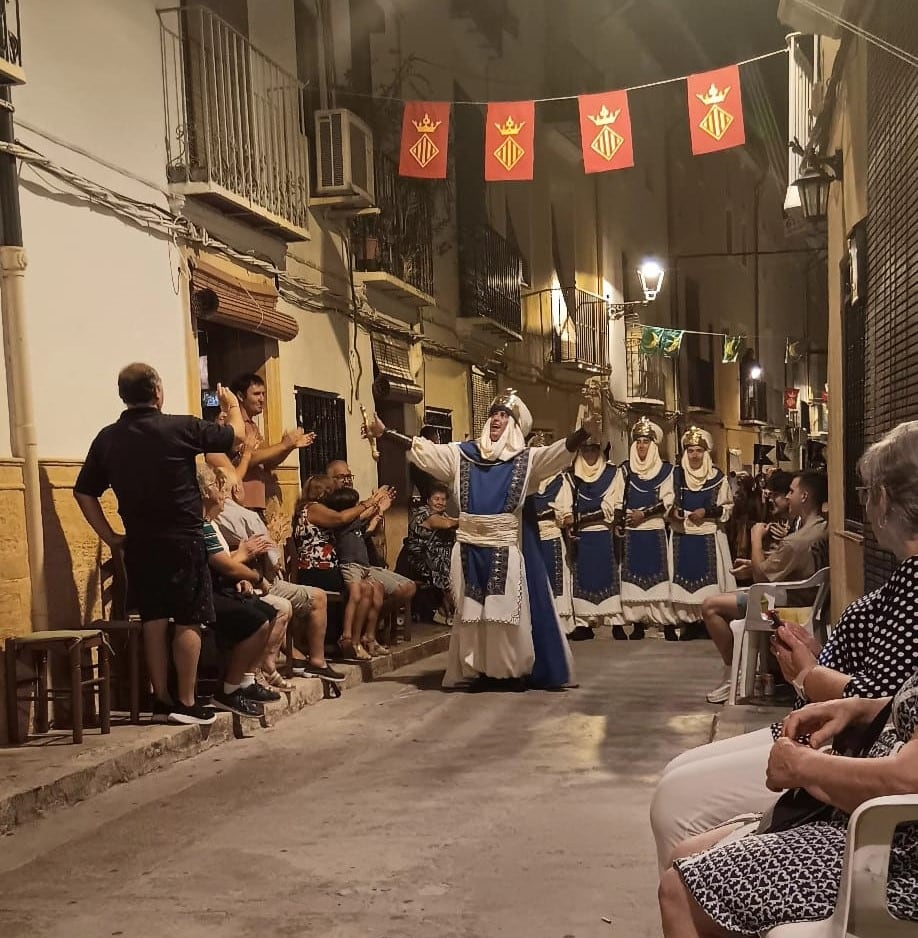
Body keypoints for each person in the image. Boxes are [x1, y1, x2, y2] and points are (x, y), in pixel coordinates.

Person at [650, 421, 918, 873]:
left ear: (885, 501)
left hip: (846, 757)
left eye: (866, 492)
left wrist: (808, 674)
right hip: (837, 740)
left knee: (676, 804)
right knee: (676, 781)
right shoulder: (903, 577)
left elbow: (884, 709)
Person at [364, 389, 595, 690]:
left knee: (505, 613)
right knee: (474, 615)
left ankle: (511, 672)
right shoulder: (462, 456)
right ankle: (481, 670)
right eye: (494, 414)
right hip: (469, 547)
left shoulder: (526, 461)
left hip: (504, 547)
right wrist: (385, 433)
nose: (496, 419)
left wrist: (583, 433)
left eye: (503, 415)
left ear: (513, 425)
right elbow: (425, 451)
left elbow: (557, 452)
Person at [658, 678, 918, 936]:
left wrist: (803, 765)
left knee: (680, 890)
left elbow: (905, 780)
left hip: (891, 853)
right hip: (858, 817)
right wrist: (861, 709)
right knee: (685, 853)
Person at [74, 363, 244, 726]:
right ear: (157, 392)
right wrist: (231, 406)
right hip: (182, 537)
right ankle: (185, 700)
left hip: (138, 541)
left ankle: (161, 698)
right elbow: (236, 437)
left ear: (123, 396)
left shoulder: (108, 438)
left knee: (152, 619)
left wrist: (111, 537)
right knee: (189, 618)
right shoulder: (180, 427)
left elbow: (84, 492)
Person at [700, 471, 829, 704]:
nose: (787, 497)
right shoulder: (821, 528)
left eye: (791, 491)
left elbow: (761, 577)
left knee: (711, 606)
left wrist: (755, 537)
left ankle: (735, 672)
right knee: (730, 596)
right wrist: (753, 565)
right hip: (803, 600)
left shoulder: (796, 541)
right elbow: (778, 566)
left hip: (776, 606)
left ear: (805, 496)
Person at [214, 493, 346, 683]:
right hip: (254, 582)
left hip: (264, 579)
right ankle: (259, 671)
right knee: (282, 607)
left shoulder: (250, 516)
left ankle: (308, 661)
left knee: (310, 598)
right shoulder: (241, 518)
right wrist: (255, 562)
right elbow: (233, 562)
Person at [197, 464, 281, 718]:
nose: (222, 493)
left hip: (219, 587)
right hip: (204, 594)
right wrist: (255, 577)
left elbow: (226, 562)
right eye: (215, 486)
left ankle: (245, 680)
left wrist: (242, 573)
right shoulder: (199, 526)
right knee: (256, 621)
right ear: (203, 492)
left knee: (269, 611)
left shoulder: (209, 525)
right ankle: (228, 690)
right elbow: (224, 564)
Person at [292, 475, 391, 660]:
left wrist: (376, 507)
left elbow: (353, 519)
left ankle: (365, 638)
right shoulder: (312, 508)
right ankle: (349, 640)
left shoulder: (317, 508)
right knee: (363, 589)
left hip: (329, 567)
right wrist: (367, 503)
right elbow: (340, 518)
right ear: (322, 491)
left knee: (375, 586)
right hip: (317, 570)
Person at [612, 418, 675, 640]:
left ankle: (665, 623)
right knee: (632, 577)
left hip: (654, 528)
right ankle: (637, 623)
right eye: (638, 441)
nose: (641, 446)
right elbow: (618, 498)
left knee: (659, 577)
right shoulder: (626, 470)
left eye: (646, 441)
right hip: (632, 531)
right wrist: (619, 523)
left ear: (653, 445)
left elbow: (668, 500)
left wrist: (644, 514)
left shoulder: (666, 470)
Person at [668, 427, 735, 630]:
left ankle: (709, 622)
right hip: (683, 535)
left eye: (698, 450)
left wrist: (705, 512)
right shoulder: (676, 477)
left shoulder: (718, 478)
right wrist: (674, 512)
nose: (694, 455)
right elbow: (667, 502)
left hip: (709, 536)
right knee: (682, 579)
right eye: (690, 451)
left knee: (710, 581)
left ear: (706, 453)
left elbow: (727, 506)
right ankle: (688, 622)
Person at [557, 441, 625, 639]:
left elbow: (614, 504)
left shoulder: (613, 473)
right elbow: (566, 505)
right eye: (585, 449)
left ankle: (615, 622)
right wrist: (569, 520)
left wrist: (585, 516)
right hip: (582, 536)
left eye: (593, 449)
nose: (589, 453)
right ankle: (584, 624)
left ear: (600, 450)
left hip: (604, 532)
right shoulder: (570, 476)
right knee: (583, 577)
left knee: (608, 575)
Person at [231, 372, 315, 514]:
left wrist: (289, 447)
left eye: (263, 394)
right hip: (240, 501)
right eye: (256, 394)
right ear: (240, 396)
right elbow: (246, 459)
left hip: (255, 501)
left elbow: (267, 463)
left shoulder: (252, 425)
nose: (262, 399)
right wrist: (283, 445)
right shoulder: (233, 423)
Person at [528, 470, 579, 638]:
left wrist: (563, 516)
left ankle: (561, 625)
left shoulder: (559, 481)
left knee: (556, 581)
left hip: (551, 534)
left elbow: (565, 512)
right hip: (531, 536)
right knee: (534, 581)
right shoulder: (527, 480)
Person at [404, 482, 458, 621]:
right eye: (436, 499)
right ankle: (457, 612)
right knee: (444, 570)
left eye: (443, 499)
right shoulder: (422, 513)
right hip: (419, 559)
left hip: (439, 557)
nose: (440, 502)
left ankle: (448, 611)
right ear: (428, 500)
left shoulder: (444, 515)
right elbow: (446, 524)